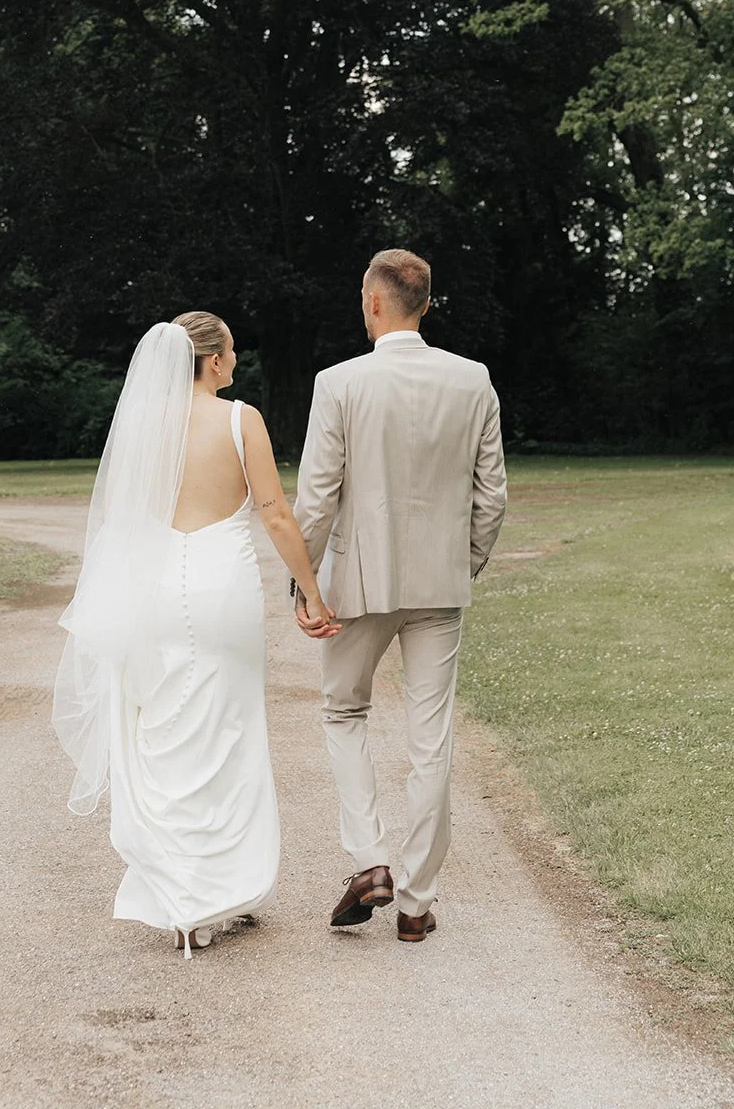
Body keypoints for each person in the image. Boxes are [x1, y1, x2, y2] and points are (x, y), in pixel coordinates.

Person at [52, 312, 335, 959]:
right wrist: (310, 593)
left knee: (161, 736)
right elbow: (275, 513)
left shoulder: (141, 428)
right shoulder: (241, 420)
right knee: (227, 733)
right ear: (211, 361)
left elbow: (122, 521)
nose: (236, 361)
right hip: (221, 592)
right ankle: (219, 891)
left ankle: (180, 900)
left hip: (150, 593)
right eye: (231, 350)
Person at [293, 249, 507, 942]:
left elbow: (317, 495)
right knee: (430, 739)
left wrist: (304, 584)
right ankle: (415, 901)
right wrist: (460, 564)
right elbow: (491, 497)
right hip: (439, 584)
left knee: (343, 710)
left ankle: (368, 862)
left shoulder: (339, 383)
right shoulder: (472, 380)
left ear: (376, 301)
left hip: (358, 582)